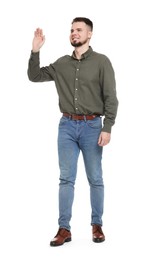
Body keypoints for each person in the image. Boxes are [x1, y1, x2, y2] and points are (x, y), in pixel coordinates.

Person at [27, 17, 118, 246]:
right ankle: (64, 229)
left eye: (79, 30)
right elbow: (35, 76)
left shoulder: (101, 62)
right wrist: (35, 51)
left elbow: (111, 98)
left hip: (92, 127)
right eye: (71, 30)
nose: (74, 33)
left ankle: (97, 225)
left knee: (95, 178)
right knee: (65, 179)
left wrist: (107, 127)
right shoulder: (62, 63)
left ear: (90, 34)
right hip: (66, 126)